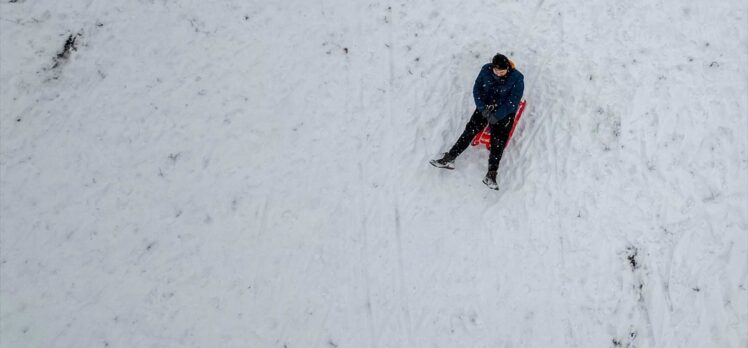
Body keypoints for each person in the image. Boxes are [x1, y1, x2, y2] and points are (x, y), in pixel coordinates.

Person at [430, 53, 524, 190]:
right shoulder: (485, 70)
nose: (498, 74)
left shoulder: (517, 77)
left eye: (502, 71)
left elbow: (513, 102)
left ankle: (491, 174)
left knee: (498, 139)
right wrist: (482, 108)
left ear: (508, 68)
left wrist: (497, 115)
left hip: (504, 111)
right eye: (496, 70)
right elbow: (477, 90)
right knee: (470, 130)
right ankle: (450, 158)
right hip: (485, 107)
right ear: (492, 67)